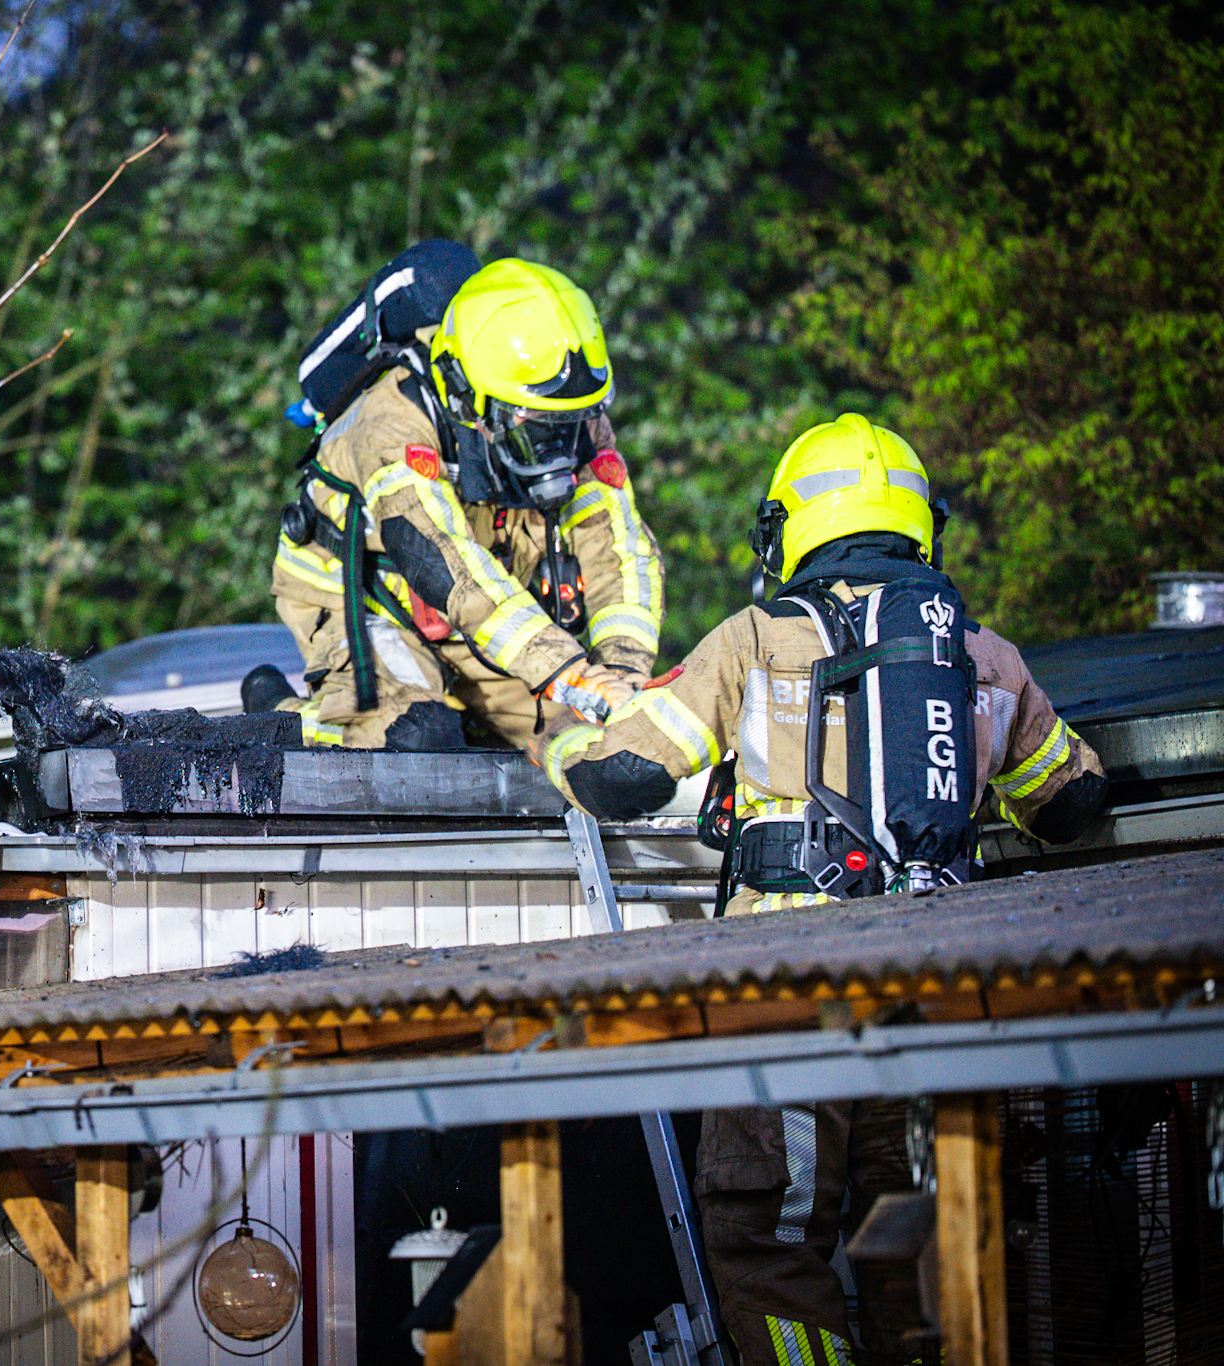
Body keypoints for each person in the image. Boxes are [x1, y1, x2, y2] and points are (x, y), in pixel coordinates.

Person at [537, 412, 1107, 1365]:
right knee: (918, 1241)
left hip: (787, 997)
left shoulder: (757, 639)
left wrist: (564, 747)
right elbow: (1073, 802)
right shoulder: (986, 658)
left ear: (794, 528)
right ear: (920, 524)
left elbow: (623, 778)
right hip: (938, 1000)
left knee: (770, 1238)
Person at [252, 258, 664, 749]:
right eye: (533, 426)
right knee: (415, 740)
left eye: (568, 423)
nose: (557, 448)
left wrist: (621, 673)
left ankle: (471, 716)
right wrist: (568, 667)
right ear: (471, 396)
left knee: (593, 745)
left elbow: (620, 549)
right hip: (369, 598)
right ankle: (280, 717)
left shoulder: (571, 416)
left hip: (483, 604)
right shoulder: (392, 422)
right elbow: (444, 564)